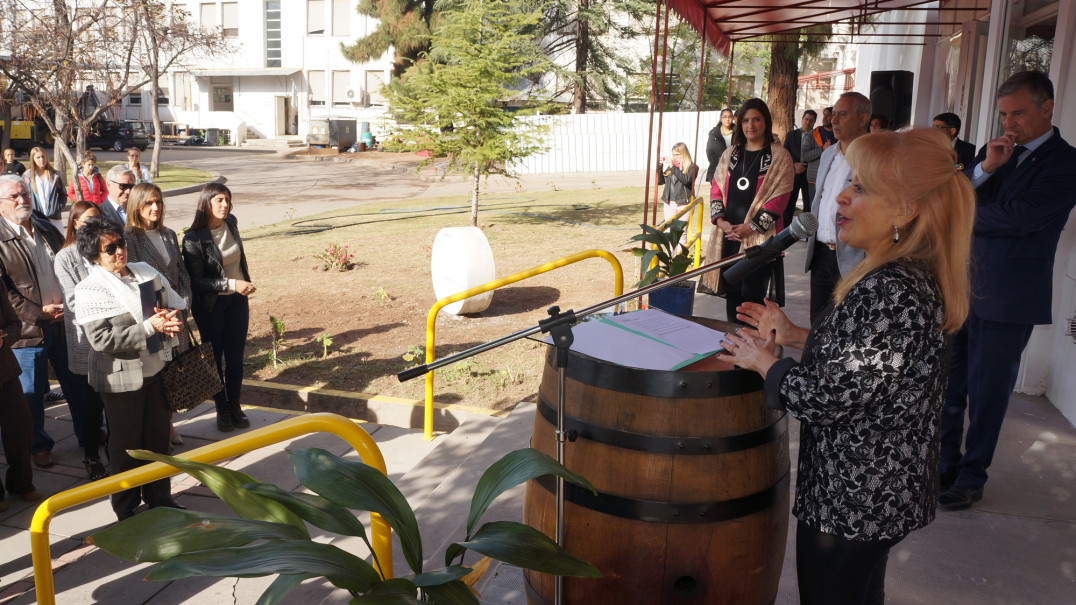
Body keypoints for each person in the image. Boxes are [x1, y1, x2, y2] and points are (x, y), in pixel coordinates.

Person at [719, 128, 975, 605]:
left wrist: (765, 363)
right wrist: (795, 335)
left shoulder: (889, 288)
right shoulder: (904, 273)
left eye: (860, 187)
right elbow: (877, 363)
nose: (840, 195)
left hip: (856, 499)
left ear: (904, 210)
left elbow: (829, 400)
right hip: (881, 494)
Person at [940, 71, 1076, 511]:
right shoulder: (993, 153)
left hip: (1009, 296)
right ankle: (944, 464)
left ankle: (971, 475)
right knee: (948, 383)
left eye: (1018, 112)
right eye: (1003, 114)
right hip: (963, 287)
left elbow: (1017, 219)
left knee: (987, 392)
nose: (1009, 123)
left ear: (1047, 107)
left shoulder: (1066, 162)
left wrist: (967, 210)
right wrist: (983, 170)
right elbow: (952, 194)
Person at [74, 216, 186, 520]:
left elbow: (170, 303)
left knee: (157, 441)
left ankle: (160, 499)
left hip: (156, 371)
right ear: (94, 256)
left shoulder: (144, 272)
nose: (119, 251)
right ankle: (126, 510)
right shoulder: (90, 290)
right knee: (125, 447)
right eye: (109, 248)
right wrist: (150, 327)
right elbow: (100, 339)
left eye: (120, 243)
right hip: (120, 380)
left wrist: (169, 320)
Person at [0, 175, 93, 469]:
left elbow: (67, 261)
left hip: (63, 323)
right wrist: (39, 313)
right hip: (28, 333)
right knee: (31, 397)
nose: (22, 200)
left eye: (24, 193)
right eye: (14, 196)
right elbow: (6, 292)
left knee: (78, 383)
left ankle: (89, 434)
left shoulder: (43, 225)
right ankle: (38, 446)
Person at [700, 98, 793, 322]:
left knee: (753, 300)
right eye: (746, 120)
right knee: (732, 296)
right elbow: (716, 189)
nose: (750, 125)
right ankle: (735, 345)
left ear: (766, 122)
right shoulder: (731, 153)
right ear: (740, 124)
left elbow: (779, 199)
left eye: (756, 120)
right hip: (730, 236)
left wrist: (750, 227)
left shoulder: (779, 156)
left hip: (758, 241)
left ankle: (754, 349)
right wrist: (720, 221)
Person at [183, 183, 255, 433]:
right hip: (211, 305)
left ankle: (235, 405)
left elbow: (237, 258)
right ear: (207, 204)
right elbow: (198, 281)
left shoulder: (231, 222)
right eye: (220, 201)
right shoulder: (193, 239)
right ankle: (221, 408)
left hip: (237, 301)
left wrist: (240, 285)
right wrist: (232, 283)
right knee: (215, 359)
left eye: (227, 200)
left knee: (235, 358)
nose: (225, 205)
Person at [125, 183, 191, 446]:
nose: (155, 208)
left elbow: (182, 273)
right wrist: (163, 312)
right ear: (136, 206)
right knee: (159, 374)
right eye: (148, 203)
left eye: (158, 202)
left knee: (176, 370)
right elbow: (133, 282)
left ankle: (169, 422)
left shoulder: (169, 235)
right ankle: (164, 428)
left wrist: (183, 303)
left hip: (177, 314)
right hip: (154, 317)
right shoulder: (129, 238)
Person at [803, 92, 872, 325]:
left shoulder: (874, 158)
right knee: (817, 325)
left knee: (848, 325)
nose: (833, 120)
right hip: (821, 255)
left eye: (842, 115)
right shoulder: (827, 155)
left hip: (855, 257)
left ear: (863, 119)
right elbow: (819, 200)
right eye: (833, 114)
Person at [52, 202, 109, 480]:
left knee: (112, 403)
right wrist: (111, 303)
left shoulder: (108, 248)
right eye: (87, 220)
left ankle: (117, 453)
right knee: (88, 408)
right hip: (85, 343)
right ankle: (91, 456)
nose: (93, 224)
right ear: (74, 223)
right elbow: (74, 301)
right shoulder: (65, 258)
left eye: (98, 219)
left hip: (114, 340)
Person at [0, 279, 41, 510]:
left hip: (4, 369)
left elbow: (14, 324)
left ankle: (20, 483)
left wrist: (3, 338)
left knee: (20, 426)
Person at [656, 142, 698, 246]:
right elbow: (660, 182)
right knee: (670, 233)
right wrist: (660, 167)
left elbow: (686, 180)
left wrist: (673, 168)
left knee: (681, 233)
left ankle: (679, 260)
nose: (674, 157)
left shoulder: (692, 167)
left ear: (684, 154)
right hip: (669, 203)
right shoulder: (672, 168)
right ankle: (671, 259)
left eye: (677, 154)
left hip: (684, 203)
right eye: (673, 154)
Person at [783, 109, 817, 226]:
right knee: (789, 205)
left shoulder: (816, 137)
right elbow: (785, 152)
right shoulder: (792, 135)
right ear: (802, 119)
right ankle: (785, 234)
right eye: (806, 119)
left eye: (811, 120)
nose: (808, 122)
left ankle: (809, 237)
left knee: (809, 206)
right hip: (793, 174)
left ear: (814, 123)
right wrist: (794, 165)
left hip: (810, 175)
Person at [23, 147, 67, 234]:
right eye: (38, 157)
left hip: (54, 219)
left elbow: (63, 194)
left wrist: (57, 207)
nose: (41, 160)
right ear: (33, 159)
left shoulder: (54, 175)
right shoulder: (27, 177)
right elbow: (24, 196)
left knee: (59, 245)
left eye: (43, 156)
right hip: (36, 219)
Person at [801, 106, 836, 207]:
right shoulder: (813, 134)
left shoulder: (839, 134)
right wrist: (822, 149)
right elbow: (804, 156)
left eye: (828, 115)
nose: (825, 117)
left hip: (833, 178)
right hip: (815, 180)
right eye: (824, 114)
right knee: (815, 208)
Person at [704, 108, 735, 183]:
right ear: (720, 118)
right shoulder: (714, 133)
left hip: (734, 170)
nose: (727, 119)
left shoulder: (738, 132)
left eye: (730, 116)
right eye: (725, 117)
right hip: (717, 169)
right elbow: (709, 152)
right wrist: (720, 164)